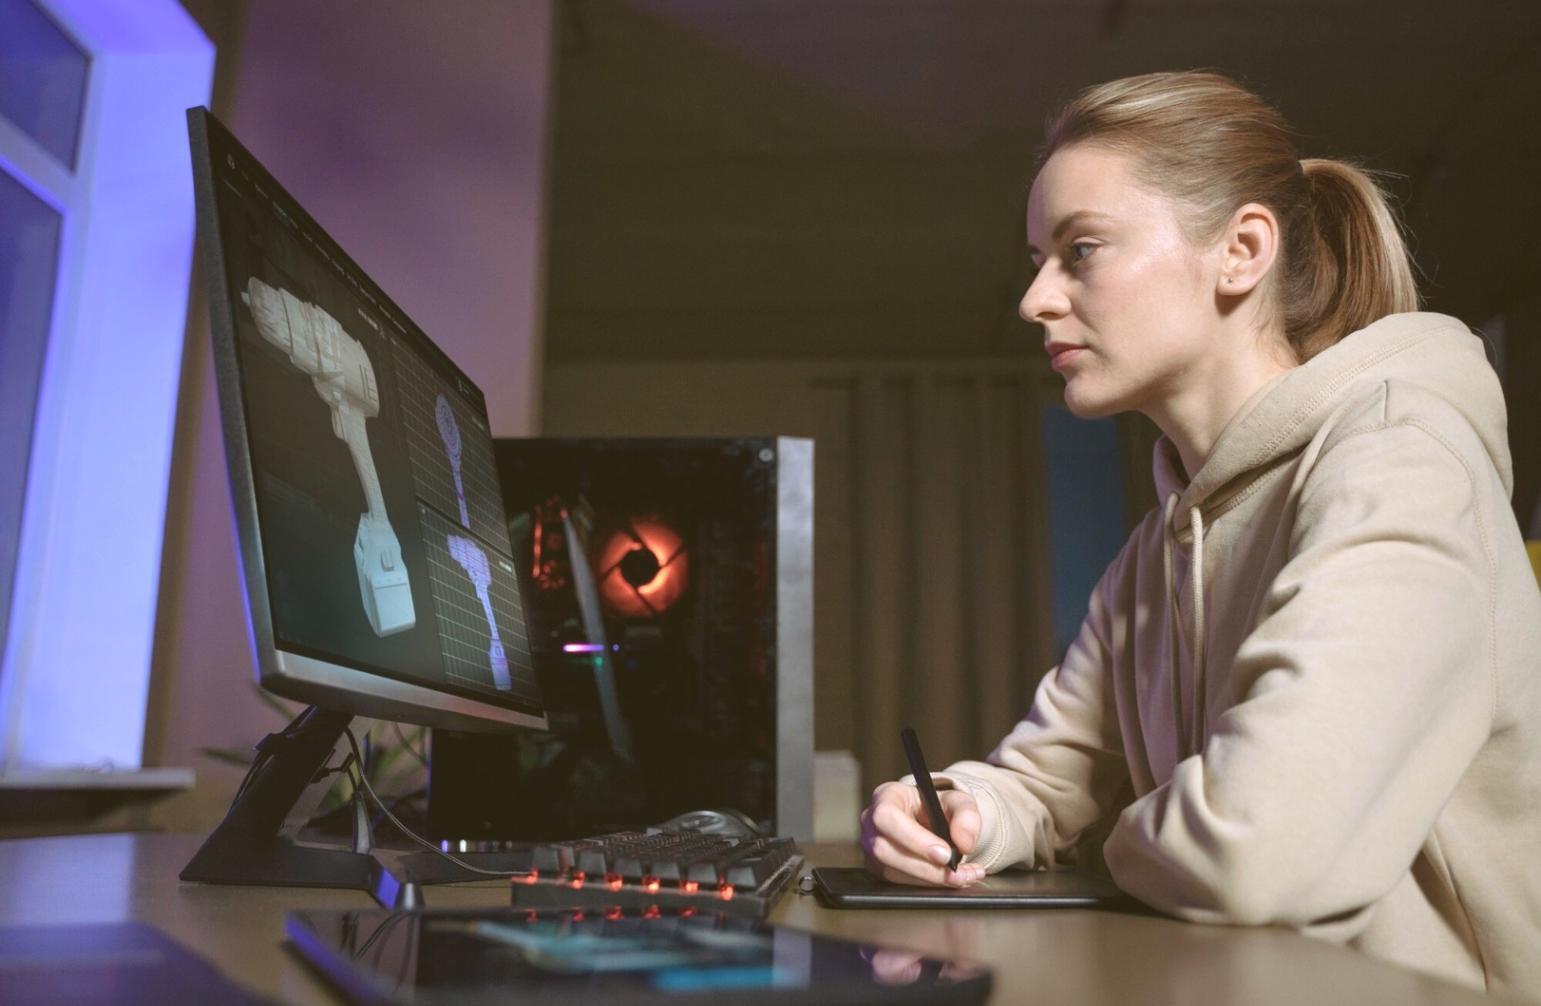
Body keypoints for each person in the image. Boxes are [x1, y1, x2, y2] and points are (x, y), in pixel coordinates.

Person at [860, 70, 1541, 997]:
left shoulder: (1399, 460)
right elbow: (1046, 778)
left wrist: (1110, 838)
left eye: (1081, 250)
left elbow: (1263, 844)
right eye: (1036, 261)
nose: (1034, 302)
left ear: (1240, 252)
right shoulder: (1157, 547)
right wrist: (963, 811)